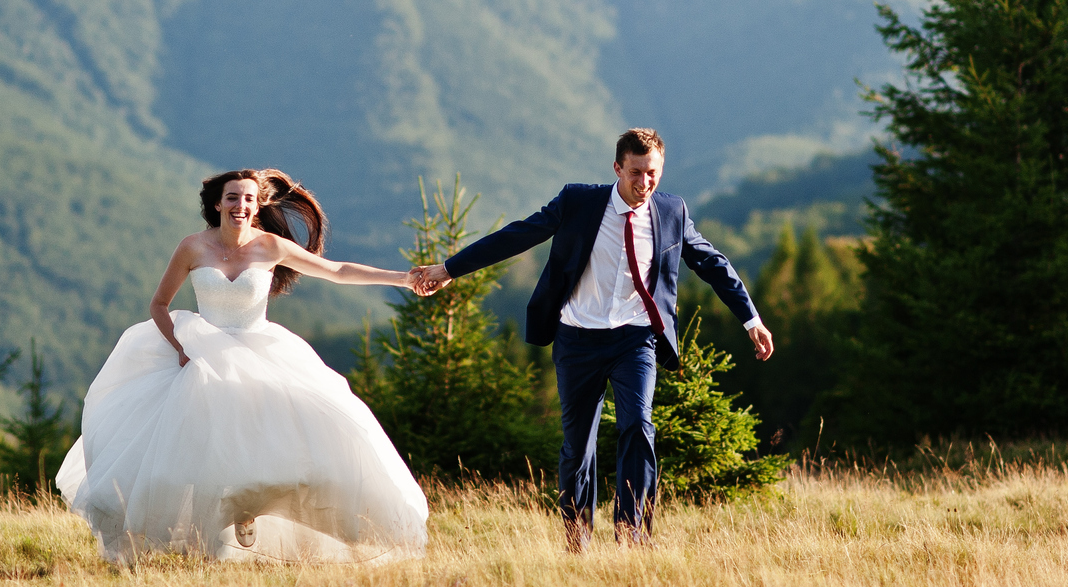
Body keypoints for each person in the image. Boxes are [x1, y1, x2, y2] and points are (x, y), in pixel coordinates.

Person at [412, 128, 774, 552]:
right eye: (636, 172)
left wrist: (751, 320)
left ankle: (632, 535)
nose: (645, 183)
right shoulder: (579, 203)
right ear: (617, 168)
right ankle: (577, 538)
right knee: (577, 446)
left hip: (635, 341)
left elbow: (713, 263)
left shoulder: (672, 212)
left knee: (638, 425)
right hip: (577, 339)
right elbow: (517, 235)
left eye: (652, 173)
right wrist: (451, 268)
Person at [56, 168, 429, 564]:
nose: (241, 206)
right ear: (218, 204)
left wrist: (404, 279)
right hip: (203, 351)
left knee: (308, 425)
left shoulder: (271, 246)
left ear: (258, 205)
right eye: (233, 197)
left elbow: (336, 271)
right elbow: (159, 305)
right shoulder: (192, 247)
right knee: (195, 444)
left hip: (259, 348)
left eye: (248, 199)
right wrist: (180, 348)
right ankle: (210, 530)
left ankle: (248, 508)